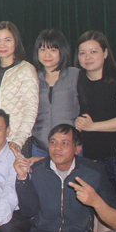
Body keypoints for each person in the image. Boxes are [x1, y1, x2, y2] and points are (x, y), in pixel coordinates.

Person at [15, 124, 116, 232]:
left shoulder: (93, 172)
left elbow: (113, 204)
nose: (57, 148)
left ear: (77, 149)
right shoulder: (37, 170)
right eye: (53, 142)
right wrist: (22, 179)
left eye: (65, 143)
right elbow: (28, 211)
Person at [75, 30, 116, 161]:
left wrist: (92, 126)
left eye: (93, 52)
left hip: (113, 149)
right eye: (82, 53)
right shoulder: (76, 78)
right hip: (83, 148)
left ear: (105, 53)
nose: (87, 57)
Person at [0, 21, 39, 153]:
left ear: (16, 42)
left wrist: (18, 140)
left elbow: (31, 109)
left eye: (7, 40)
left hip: (17, 142)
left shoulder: (26, 69)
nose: (2, 45)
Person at [30, 29, 80, 159]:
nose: (47, 55)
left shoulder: (75, 75)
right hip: (40, 147)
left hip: (69, 146)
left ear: (62, 51)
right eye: (43, 49)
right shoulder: (32, 78)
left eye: (53, 50)